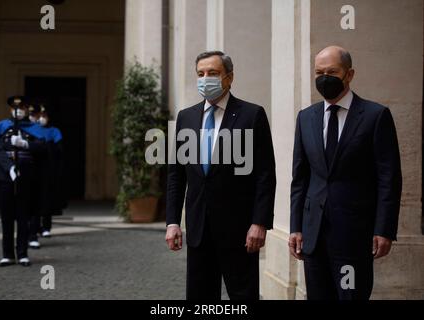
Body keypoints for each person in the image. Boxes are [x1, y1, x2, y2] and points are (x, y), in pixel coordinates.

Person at [289, 46, 402, 300]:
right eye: (319, 72)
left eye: (331, 71)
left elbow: (389, 179)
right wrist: (295, 226)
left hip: (354, 235)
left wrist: (384, 229)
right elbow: (300, 178)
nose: (324, 77)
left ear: (349, 74)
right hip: (313, 235)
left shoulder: (375, 116)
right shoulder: (306, 118)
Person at [165, 51, 276, 300]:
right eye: (201, 74)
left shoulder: (252, 115)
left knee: (243, 295)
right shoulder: (186, 117)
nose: (206, 79)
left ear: (229, 77)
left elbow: (265, 175)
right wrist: (172, 221)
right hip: (198, 229)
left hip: (239, 230)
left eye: (213, 73)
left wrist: (259, 222)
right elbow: (176, 175)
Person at [0, 96, 47, 267]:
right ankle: (7, 254)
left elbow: (43, 147)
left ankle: (22, 253)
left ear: (26, 109)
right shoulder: (3, 126)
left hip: (26, 176)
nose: (18, 110)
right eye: (15, 108)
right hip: (5, 176)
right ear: (10, 109)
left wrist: (25, 144)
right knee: (6, 217)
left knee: (23, 216)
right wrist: (9, 167)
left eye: (22, 107)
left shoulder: (34, 128)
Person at [28, 104, 65, 248]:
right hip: (32, 170)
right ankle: (34, 228)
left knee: (47, 197)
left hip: (48, 170)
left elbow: (59, 151)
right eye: (39, 116)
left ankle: (46, 227)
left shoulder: (54, 131)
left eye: (44, 116)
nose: (41, 119)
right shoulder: (31, 130)